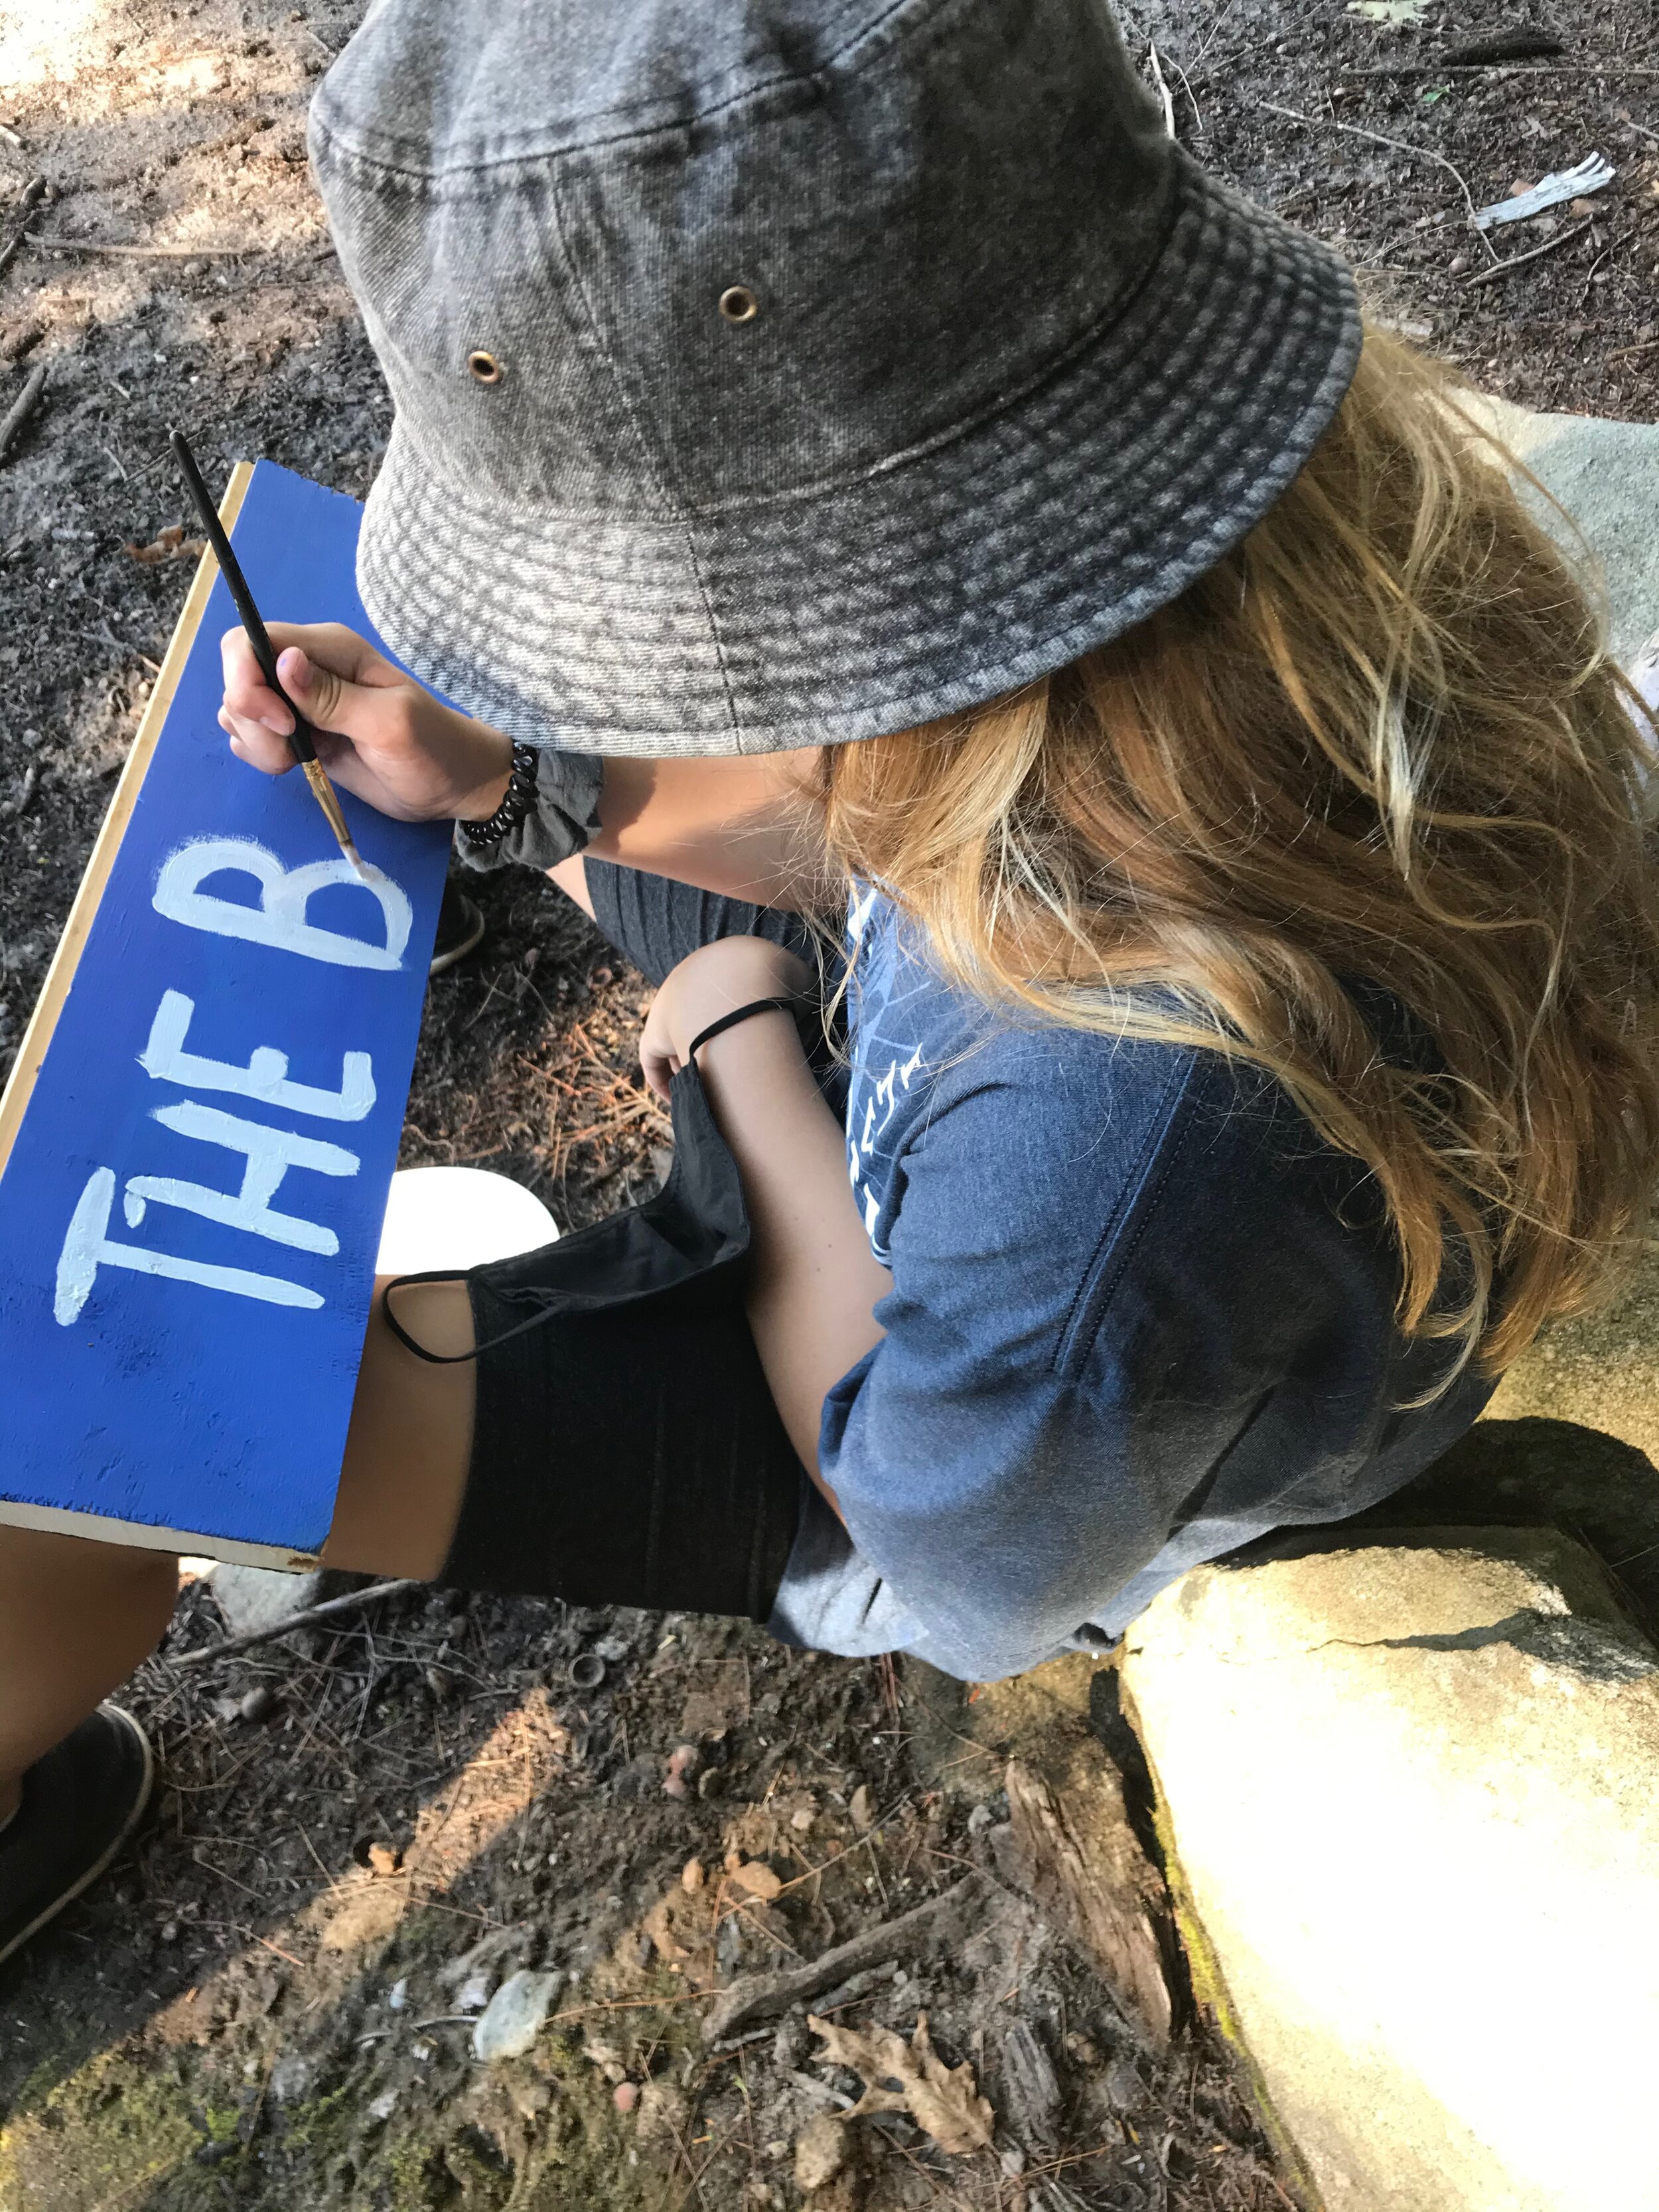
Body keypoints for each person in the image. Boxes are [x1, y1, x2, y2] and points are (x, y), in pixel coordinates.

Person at [4, 0, 1657, 1966]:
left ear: (810, 667)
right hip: (975, 1078)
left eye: (575, 639)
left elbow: (940, 1561)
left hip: (916, 1418)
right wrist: (525, 778)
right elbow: (857, 828)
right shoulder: (1272, 551)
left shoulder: (1113, 1142)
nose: (536, 689)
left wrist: (750, 1057)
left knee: (44, 1449)